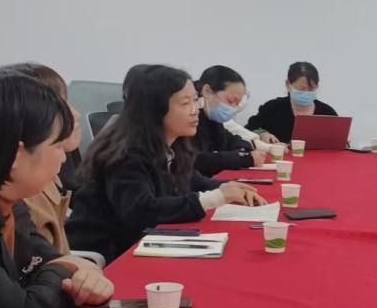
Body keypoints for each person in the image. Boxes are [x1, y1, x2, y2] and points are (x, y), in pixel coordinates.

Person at [67, 65, 265, 263]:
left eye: (195, 100)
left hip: (143, 243)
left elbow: (189, 178)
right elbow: (141, 211)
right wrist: (214, 198)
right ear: (155, 109)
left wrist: (227, 188)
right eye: (185, 103)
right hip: (106, 256)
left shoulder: (172, 144)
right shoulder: (126, 153)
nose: (195, 110)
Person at [0, 72, 115, 308]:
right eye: (56, 145)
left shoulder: (11, 203)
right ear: (16, 156)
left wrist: (81, 277)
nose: (63, 157)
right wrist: (65, 269)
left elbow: (47, 261)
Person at [0, 63, 81, 255]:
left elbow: (52, 260)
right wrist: (65, 267)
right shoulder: (24, 194)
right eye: (61, 104)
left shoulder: (43, 180)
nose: (74, 113)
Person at [193, 65, 266, 176]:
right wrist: (241, 158)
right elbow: (196, 161)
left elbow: (233, 141)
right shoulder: (191, 117)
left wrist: (242, 154)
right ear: (206, 91)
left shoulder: (212, 118)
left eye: (237, 104)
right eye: (230, 101)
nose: (233, 109)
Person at [245, 62, 337, 144]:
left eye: (311, 89)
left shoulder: (327, 112)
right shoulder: (273, 108)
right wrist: (262, 134)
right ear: (288, 85)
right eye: (301, 89)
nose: (306, 93)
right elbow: (250, 127)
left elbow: (338, 139)